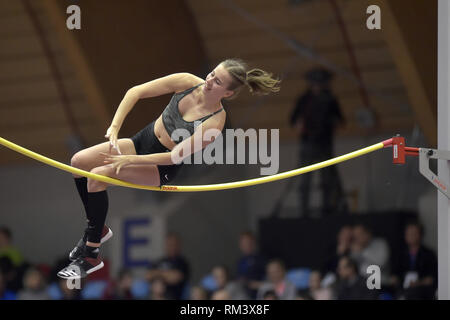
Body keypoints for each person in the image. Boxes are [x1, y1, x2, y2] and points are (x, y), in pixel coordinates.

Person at [57, 58, 281, 279]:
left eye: (218, 81)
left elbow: (175, 156)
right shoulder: (186, 81)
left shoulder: (214, 123)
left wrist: (131, 161)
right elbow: (135, 92)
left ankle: (92, 254)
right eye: (212, 73)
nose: (210, 81)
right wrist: (115, 127)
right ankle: (97, 229)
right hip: (140, 142)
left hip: (160, 166)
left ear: (228, 93)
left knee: (97, 176)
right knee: (78, 162)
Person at [289, 67, 346, 217]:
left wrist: (332, 123)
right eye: (315, 83)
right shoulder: (304, 99)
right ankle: (304, 210)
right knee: (305, 178)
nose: (318, 86)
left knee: (327, 177)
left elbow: (340, 120)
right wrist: (299, 125)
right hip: (307, 142)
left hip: (325, 143)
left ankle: (327, 208)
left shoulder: (330, 100)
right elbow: (293, 120)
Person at [391, 221, 437, 300]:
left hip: (422, 291)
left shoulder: (429, 254)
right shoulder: (399, 253)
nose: (411, 236)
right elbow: (395, 275)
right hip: (402, 289)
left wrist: (418, 283)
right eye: (408, 233)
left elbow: (431, 278)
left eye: (414, 233)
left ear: (420, 234)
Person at [145, 233, 190, 300]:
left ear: (178, 245)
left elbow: (176, 277)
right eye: (169, 244)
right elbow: (148, 276)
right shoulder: (160, 261)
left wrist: (158, 274)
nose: (171, 247)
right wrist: (167, 275)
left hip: (174, 296)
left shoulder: (182, 262)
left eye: (173, 244)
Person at [235, 231, 266, 299]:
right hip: (242, 292)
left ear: (254, 243)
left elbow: (269, 281)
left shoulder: (262, 259)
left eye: (248, 242)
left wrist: (255, 284)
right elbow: (238, 278)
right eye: (244, 243)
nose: (246, 245)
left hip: (259, 293)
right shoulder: (240, 261)